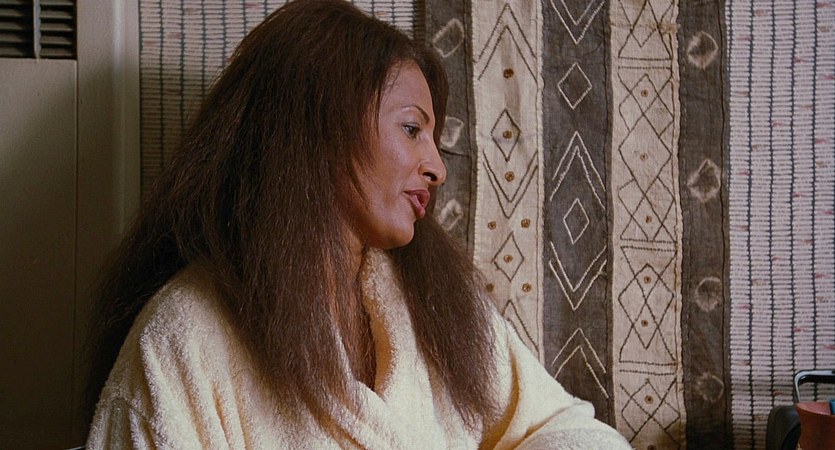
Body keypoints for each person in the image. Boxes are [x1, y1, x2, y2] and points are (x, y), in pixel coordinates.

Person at [85, 0, 631, 448]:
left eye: (434, 139)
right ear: (319, 127)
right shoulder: (182, 343)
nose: (438, 168)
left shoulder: (433, 304)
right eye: (412, 129)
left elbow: (567, 427)